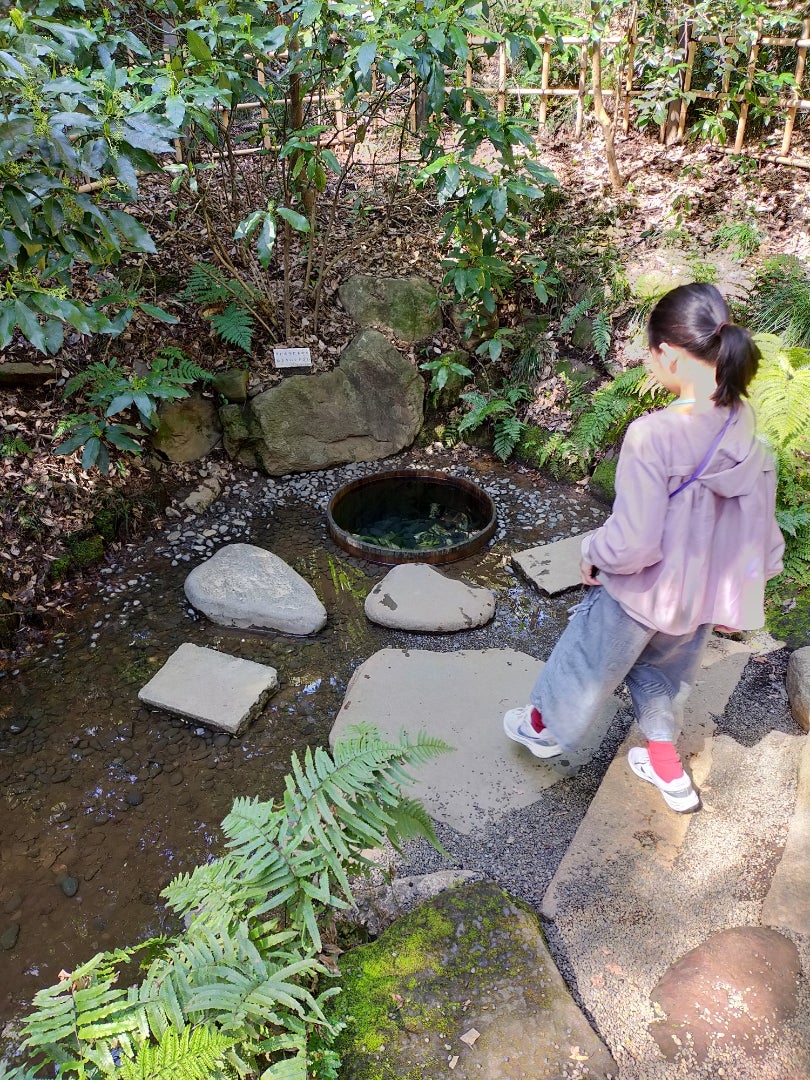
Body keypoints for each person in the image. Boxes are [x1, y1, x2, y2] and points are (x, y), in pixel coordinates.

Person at [503, 282, 785, 812]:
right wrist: (743, 593)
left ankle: (541, 727)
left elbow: (633, 541)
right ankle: (668, 771)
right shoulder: (741, 420)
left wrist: (592, 551)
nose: (648, 362)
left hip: (640, 594)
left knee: (585, 658)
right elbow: (758, 516)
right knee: (664, 674)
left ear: (672, 355)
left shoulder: (653, 434)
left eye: (651, 352)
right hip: (698, 597)